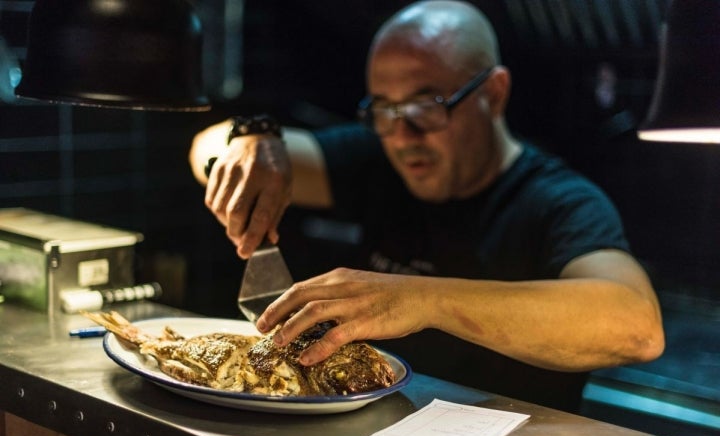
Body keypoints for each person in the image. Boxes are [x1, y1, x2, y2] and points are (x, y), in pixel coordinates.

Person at [189, 0, 664, 412]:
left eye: (426, 106)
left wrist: (421, 297)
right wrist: (252, 139)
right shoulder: (378, 158)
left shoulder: (558, 201)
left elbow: (636, 325)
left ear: (493, 93)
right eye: (384, 110)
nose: (402, 136)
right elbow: (204, 150)